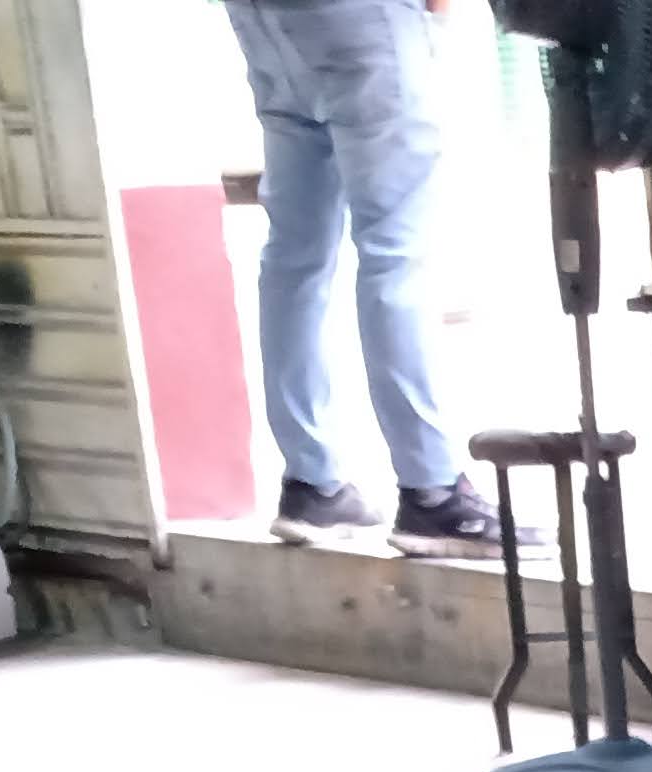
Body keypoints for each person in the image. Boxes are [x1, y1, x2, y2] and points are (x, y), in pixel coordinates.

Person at [220, 0, 520, 557]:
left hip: (264, 21)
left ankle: (312, 483)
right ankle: (432, 492)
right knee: (395, 253)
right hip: (364, 21)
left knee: (294, 255)